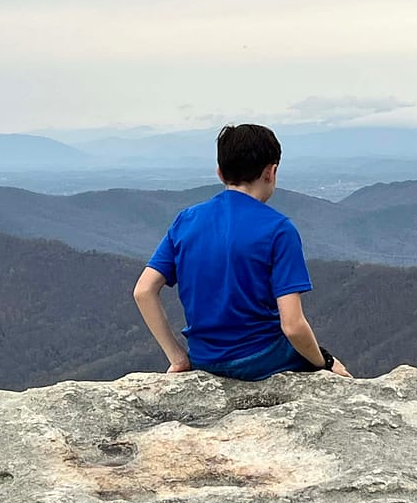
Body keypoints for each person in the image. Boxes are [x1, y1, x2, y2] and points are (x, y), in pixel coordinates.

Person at [133, 123, 352, 381]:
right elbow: (292, 326)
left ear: (219, 172)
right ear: (271, 172)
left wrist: (178, 357)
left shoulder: (186, 221)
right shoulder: (279, 230)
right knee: (334, 368)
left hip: (205, 359)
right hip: (263, 358)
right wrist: (324, 363)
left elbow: (143, 291)